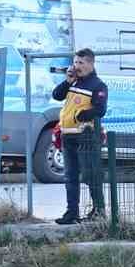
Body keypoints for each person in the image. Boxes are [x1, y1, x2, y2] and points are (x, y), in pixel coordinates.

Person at [51, 48, 109, 225]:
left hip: (86, 136)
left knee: (90, 175)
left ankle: (99, 211)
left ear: (91, 64)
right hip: (68, 135)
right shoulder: (73, 82)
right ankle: (72, 213)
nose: (77, 66)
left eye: (81, 63)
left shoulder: (98, 85)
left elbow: (100, 110)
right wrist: (67, 81)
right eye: (75, 62)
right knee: (70, 176)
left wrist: (80, 115)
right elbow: (57, 95)